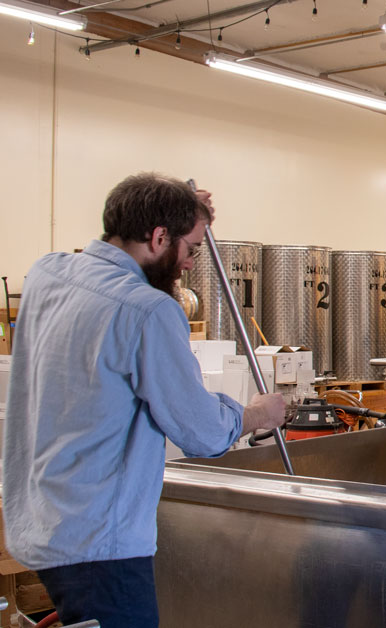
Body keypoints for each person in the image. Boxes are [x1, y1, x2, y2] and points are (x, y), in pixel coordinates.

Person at [2, 173, 287, 627]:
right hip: (101, 545)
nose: (191, 264)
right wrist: (256, 413)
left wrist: (180, 207)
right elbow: (202, 431)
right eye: (190, 249)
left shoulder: (46, 273)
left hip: (41, 524)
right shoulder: (148, 310)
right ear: (158, 237)